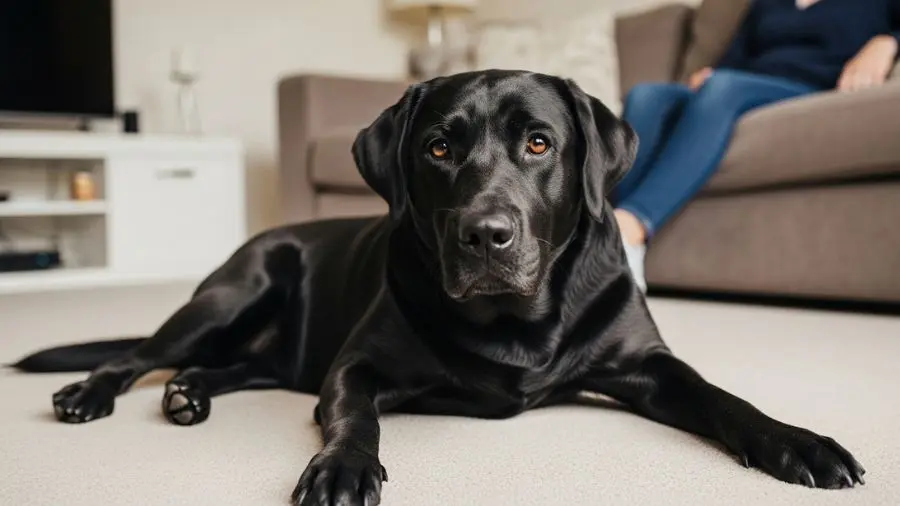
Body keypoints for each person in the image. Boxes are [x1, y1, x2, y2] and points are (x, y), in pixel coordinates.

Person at [613, 0, 900, 292]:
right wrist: (709, 75)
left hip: (805, 88)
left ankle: (632, 223)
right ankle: (608, 241)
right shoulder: (769, 3)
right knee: (645, 95)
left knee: (724, 87)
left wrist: (887, 41)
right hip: (742, 84)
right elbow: (734, 60)